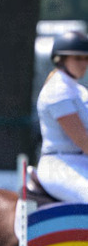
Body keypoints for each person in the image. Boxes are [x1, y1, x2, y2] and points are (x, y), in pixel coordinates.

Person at [36, 29, 88, 204]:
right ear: (61, 60)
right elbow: (83, 140)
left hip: (80, 162)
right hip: (60, 166)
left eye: (86, 58)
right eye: (78, 58)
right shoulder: (57, 90)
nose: (84, 63)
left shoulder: (79, 91)